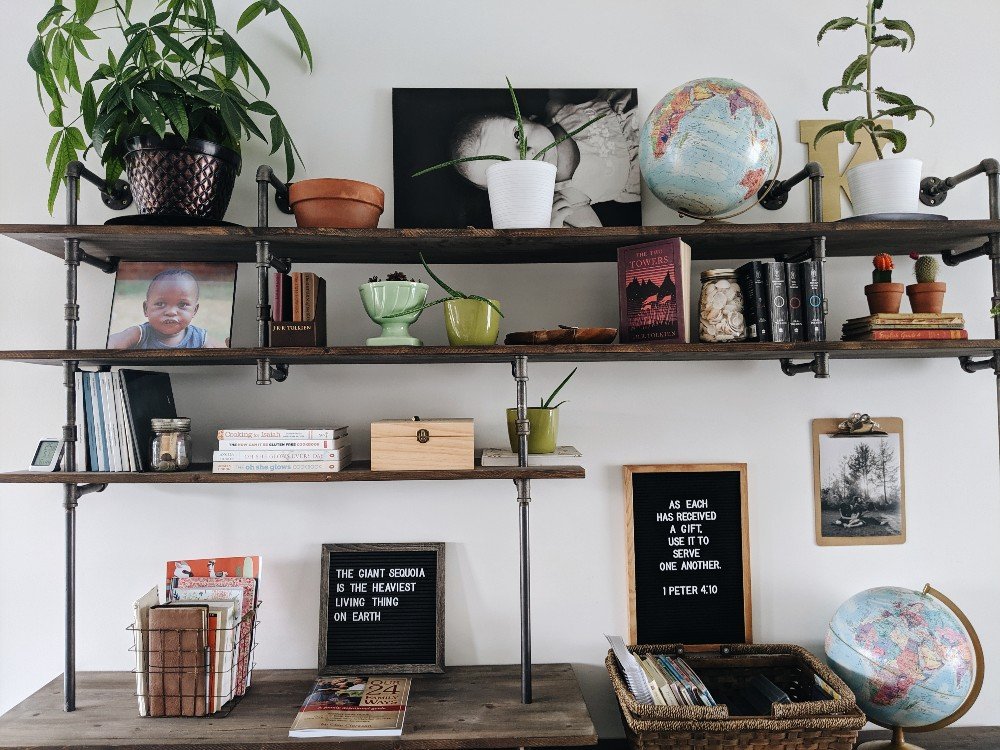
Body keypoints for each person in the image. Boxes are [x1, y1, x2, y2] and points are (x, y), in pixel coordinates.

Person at [449, 90, 640, 227]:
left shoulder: (559, 108)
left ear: (525, 118)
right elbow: (595, 237)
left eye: (517, 135)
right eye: (510, 168)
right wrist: (554, 228)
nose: (526, 153)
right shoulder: (562, 199)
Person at [108, 268, 225, 349]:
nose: (171, 312)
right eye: (160, 304)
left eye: (182, 304)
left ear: (194, 310)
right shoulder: (139, 334)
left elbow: (227, 351)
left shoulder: (199, 337)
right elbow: (111, 343)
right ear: (146, 308)